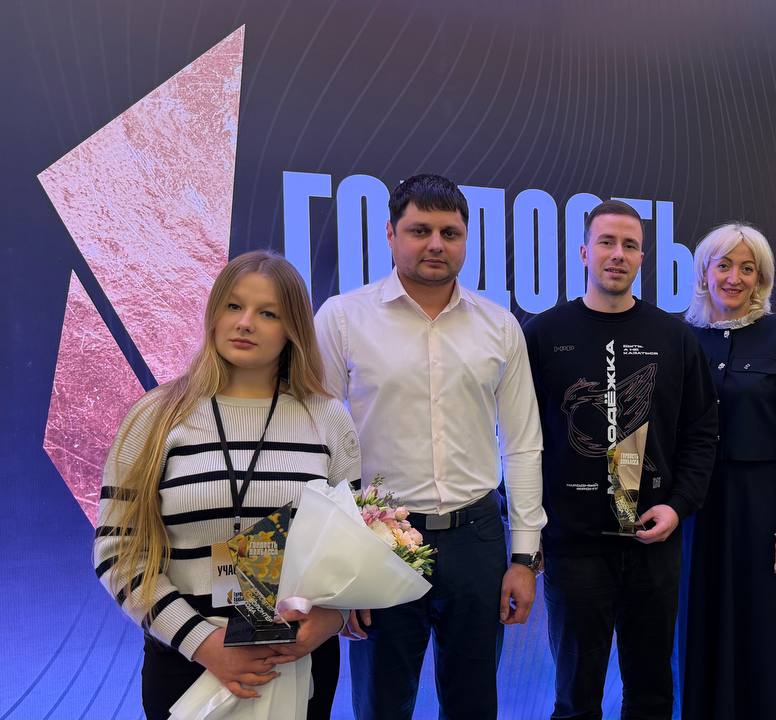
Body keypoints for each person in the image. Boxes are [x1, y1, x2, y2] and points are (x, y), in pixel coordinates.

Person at [314, 173, 546, 720]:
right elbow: (318, 443)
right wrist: (340, 564)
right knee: (381, 705)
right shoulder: (343, 319)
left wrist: (524, 557)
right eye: (420, 230)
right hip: (380, 542)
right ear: (391, 234)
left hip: (477, 537)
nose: (436, 244)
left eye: (450, 232)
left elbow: (522, 445)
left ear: (466, 239)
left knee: (473, 704)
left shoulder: (499, 326)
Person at [93, 250, 360, 720]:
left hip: (294, 659)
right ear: (214, 313)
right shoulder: (155, 417)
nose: (245, 323)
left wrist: (330, 619)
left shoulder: (328, 418)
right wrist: (204, 643)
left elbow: (353, 551)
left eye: (268, 313)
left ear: (294, 328)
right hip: (186, 660)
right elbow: (118, 552)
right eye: (233, 306)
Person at [522, 199, 718, 720]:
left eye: (630, 245)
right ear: (584, 252)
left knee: (652, 693)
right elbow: (519, 439)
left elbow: (702, 432)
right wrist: (529, 529)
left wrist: (678, 505)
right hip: (574, 546)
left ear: (642, 258)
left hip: (654, 541)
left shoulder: (674, 337)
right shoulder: (543, 334)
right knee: (575, 698)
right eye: (606, 242)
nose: (618, 254)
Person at [680, 223, 776, 719]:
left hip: (766, 516)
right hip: (698, 513)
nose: (734, 278)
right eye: (724, 265)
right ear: (704, 271)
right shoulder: (680, 337)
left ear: (761, 278)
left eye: (748, 268)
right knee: (701, 629)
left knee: (770, 637)